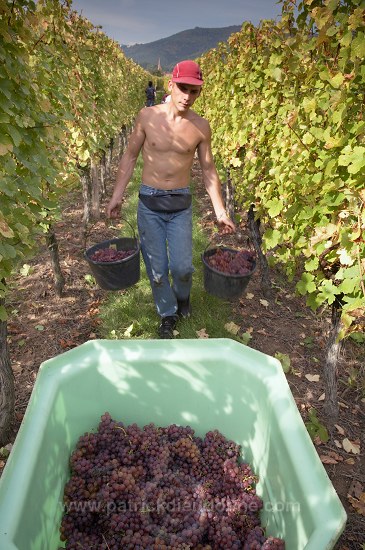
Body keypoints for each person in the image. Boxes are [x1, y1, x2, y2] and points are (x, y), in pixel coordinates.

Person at [106, 59, 235, 338]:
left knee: (182, 268)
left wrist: (220, 212)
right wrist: (117, 196)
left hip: (180, 204)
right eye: (183, 88)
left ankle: (183, 296)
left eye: (194, 91)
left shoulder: (200, 127)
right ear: (171, 85)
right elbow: (129, 157)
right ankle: (167, 313)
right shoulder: (147, 116)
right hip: (149, 203)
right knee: (157, 270)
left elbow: (208, 169)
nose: (188, 96)